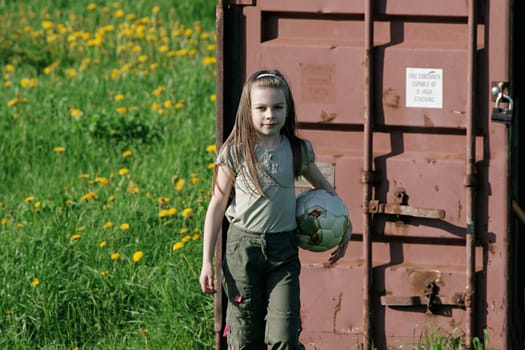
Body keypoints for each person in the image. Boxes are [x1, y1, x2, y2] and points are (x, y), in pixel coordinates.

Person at [199, 69, 351, 350]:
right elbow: (217, 205)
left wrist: (346, 225)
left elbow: (327, 193)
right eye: (261, 108)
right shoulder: (235, 151)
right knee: (245, 338)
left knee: (284, 336)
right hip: (242, 252)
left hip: (283, 253)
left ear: (287, 109)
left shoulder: (297, 151)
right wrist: (206, 260)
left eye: (277, 107)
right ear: (248, 110)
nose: (270, 114)